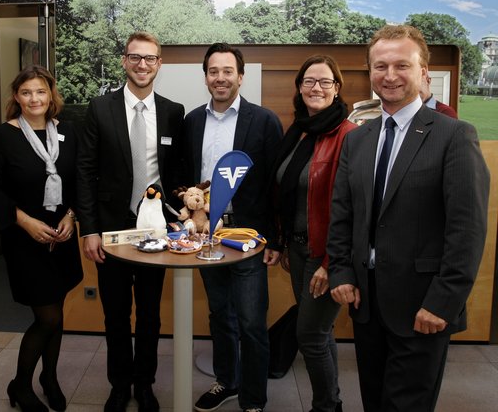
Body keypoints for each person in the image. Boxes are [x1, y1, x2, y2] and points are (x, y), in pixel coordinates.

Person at [328, 25, 490, 412]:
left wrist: (443, 302)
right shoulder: (357, 139)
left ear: (424, 74)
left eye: (402, 65)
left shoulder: (454, 136)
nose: (390, 75)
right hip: (366, 304)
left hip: (423, 307)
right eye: (380, 66)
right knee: (374, 399)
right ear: (370, 74)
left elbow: (466, 230)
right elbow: (343, 214)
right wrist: (341, 272)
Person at [76, 31, 184, 412]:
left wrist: (181, 218)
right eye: (135, 58)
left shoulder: (174, 111)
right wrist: (88, 230)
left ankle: (145, 383)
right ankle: (119, 384)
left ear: (159, 63)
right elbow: (85, 172)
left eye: (150, 58)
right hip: (112, 230)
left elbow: (177, 174)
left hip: (156, 231)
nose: (142, 65)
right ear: (124, 61)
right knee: (116, 314)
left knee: (151, 315)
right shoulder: (99, 108)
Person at [184, 43, 283, 412]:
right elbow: (187, 178)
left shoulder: (264, 121)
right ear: (206, 76)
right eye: (213, 71)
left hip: (249, 238)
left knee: (252, 322)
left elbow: (276, 184)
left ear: (241, 76)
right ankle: (226, 381)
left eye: (228, 71)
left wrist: (277, 238)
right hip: (207, 238)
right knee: (219, 316)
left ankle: (254, 399)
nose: (220, 78)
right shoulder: (193, 121)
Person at [0, 65, 83, 412]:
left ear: (51, 95)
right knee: (48, 317)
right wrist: (25, 222)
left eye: (41, 91)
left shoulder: (68, 131)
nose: (34, 98)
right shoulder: (2, 136)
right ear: (16, 97)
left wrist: (71, 216)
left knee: (56, 308)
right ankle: (21, 385)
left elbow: (80, 181)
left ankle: (49, 378)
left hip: (62, 234)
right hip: (25, 239)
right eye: (26, 92)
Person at [271, 55, 356, 412]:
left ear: (337, 89)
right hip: (300, 249)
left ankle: (326, 406)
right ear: (299, 87)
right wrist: (286, 242)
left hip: (326, 257)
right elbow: (287, 191)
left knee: (309, 334)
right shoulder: (298, 131)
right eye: (309, 81)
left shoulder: (349, 135)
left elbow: (351, 208)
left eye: (324, 82)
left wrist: (330, 263)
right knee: (319, 333)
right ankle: (330, 400)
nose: (316, 88)